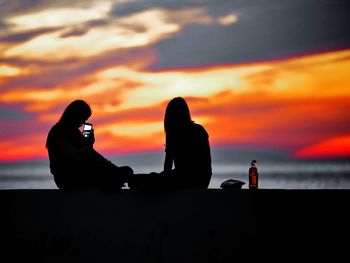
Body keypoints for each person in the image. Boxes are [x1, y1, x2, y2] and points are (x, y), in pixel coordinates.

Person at [46, 99, 133, 190]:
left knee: (125, 171)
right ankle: (115, 174)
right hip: (68, 179)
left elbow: (86, 156)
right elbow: (78, 156)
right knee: (120, 174)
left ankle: (114, 175)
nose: (83, 123)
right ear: (75, 115)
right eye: (83, 118)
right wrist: (88, 145)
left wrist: (88, 143)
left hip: (81, 175)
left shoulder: (73, 131)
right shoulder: (58, 132)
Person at [129, 96, 212, 190]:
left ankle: (131, 179)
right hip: (201, 181)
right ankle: (133, 179)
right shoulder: (197, 130)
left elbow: (168, 167)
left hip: (190, 180)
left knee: (152, 179)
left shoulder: (183, 132)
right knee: (154, 178)